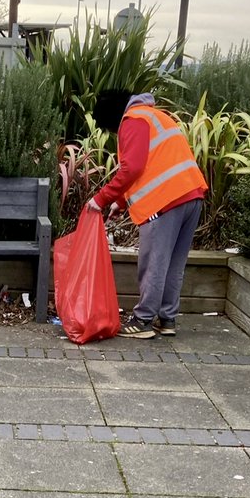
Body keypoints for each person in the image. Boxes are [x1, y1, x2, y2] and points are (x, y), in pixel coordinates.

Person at [86, 90, 207, 339]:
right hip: (191, 196)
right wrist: (120, 202)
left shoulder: (133, 120)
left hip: (165, 202)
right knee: (174, 265)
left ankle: (142, 320)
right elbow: (152, 164)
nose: (113, 133)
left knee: (154, 262)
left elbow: (133, 167)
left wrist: (101, 199)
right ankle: (167, 319)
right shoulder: (155, 116)